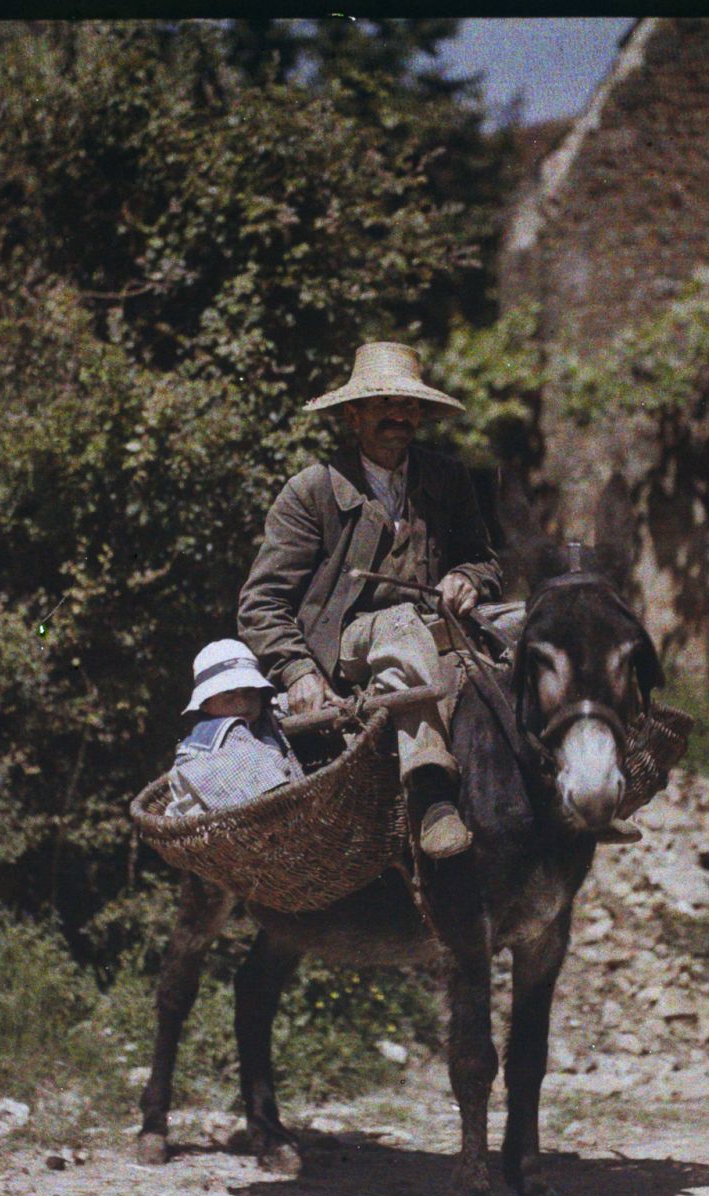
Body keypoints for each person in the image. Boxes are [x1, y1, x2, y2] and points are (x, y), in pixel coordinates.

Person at [236, 342, 499, 858]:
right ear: (353, 415)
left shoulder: (446, 479)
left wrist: (469, 576)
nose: (399, 416)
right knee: (398, 623)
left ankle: (582, 791)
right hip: (349, 645)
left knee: (535, 627)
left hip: (439, 628)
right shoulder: (311, 491)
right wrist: (298, 671)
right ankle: (430, 791)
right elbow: (261, 602)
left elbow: (484, 559)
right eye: (384, 404)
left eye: (409, 406)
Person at [166, 639, 305, 818]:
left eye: (250, 691)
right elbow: (273, 800)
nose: (242, 701)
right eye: (228, 693)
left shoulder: (261, 717)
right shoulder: (215, 734)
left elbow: (288, 704)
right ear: (205, 704)